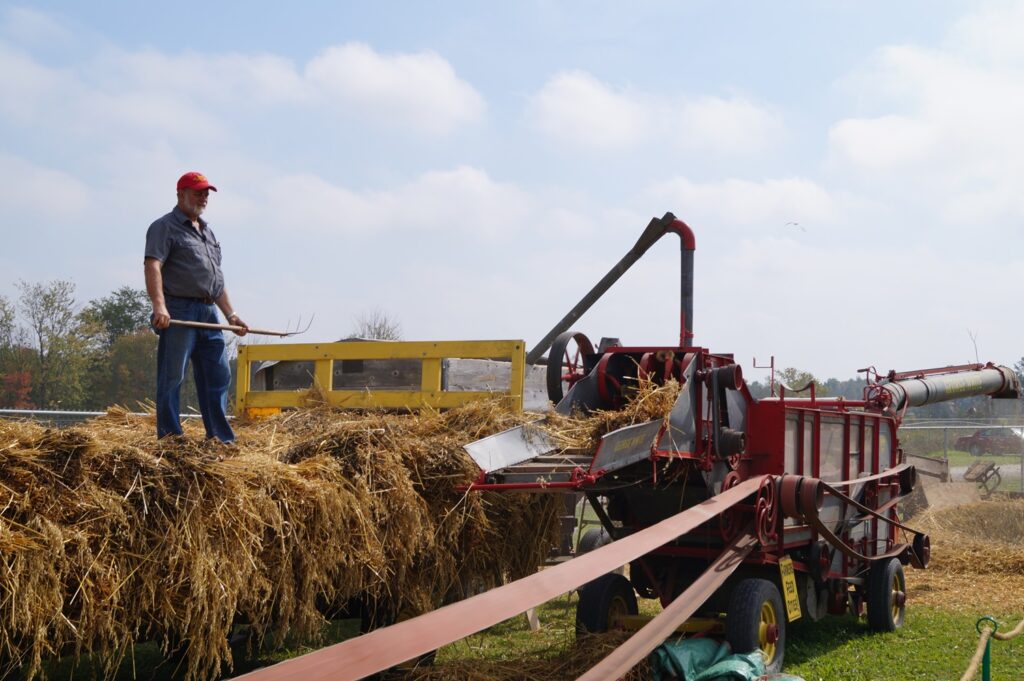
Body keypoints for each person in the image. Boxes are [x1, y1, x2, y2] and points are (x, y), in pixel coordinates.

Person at [144, 171, 248, 443]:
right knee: (173, 376)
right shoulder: (164, 227)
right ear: (180, 194)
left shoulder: (208, 232)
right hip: (179, 309)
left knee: (219, 373)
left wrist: (232, 315)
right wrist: (160, 306)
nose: (203, 198)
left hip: (208, 313)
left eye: (206, 193)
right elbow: (153, 264)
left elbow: (215, 280)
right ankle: (170, 439)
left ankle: (219, 438)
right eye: (197, 192)